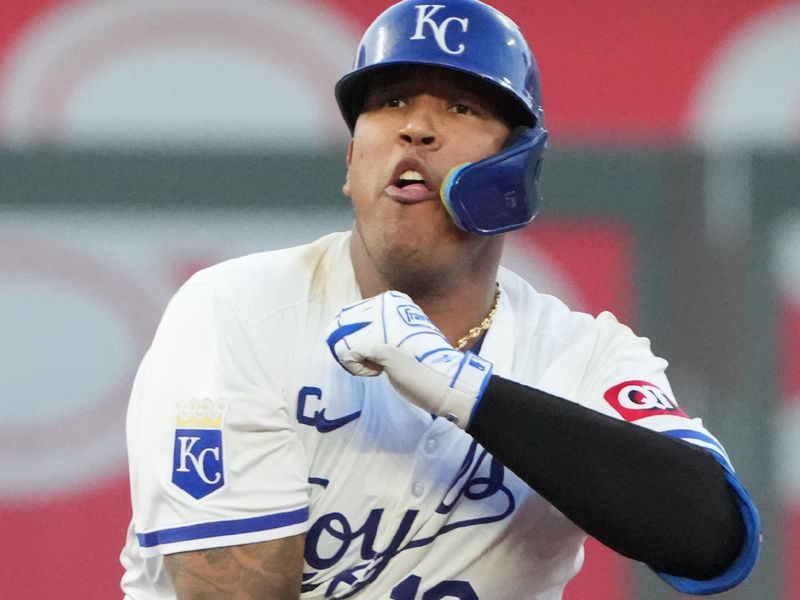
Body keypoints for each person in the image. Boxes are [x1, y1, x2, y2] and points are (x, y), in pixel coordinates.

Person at [120, 0, 761, 598]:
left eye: (459, 108)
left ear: (518, 168)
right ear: (351, 160)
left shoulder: (582, 355)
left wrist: (466, 391)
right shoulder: (239, 310)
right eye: (392, 101)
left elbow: (714, 541)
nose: (416, 129)